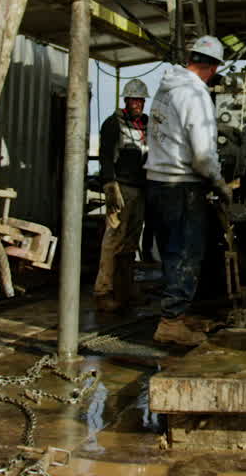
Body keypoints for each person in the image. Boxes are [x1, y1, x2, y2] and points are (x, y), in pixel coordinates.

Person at [146, 35, 233, 346]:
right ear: (212, 67)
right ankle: (170, 322)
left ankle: (177, 315)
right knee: (187, 253)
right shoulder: (195, 95)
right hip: (181, 186)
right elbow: (202, 155)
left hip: (156, 182)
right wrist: (219, 182)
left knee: (171, 253)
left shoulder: (165, 88)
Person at [93, 78, 150, 312]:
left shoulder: (146, 124)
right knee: (113, 238)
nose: (138, 104)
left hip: (140, 187)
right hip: (121, 188)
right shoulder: (113, 124)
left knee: (130, 241)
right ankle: (102, 291)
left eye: (141, 100)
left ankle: (125, 289)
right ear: (126, 100)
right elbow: (105, 156)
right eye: (134, 100)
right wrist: (109, 185)